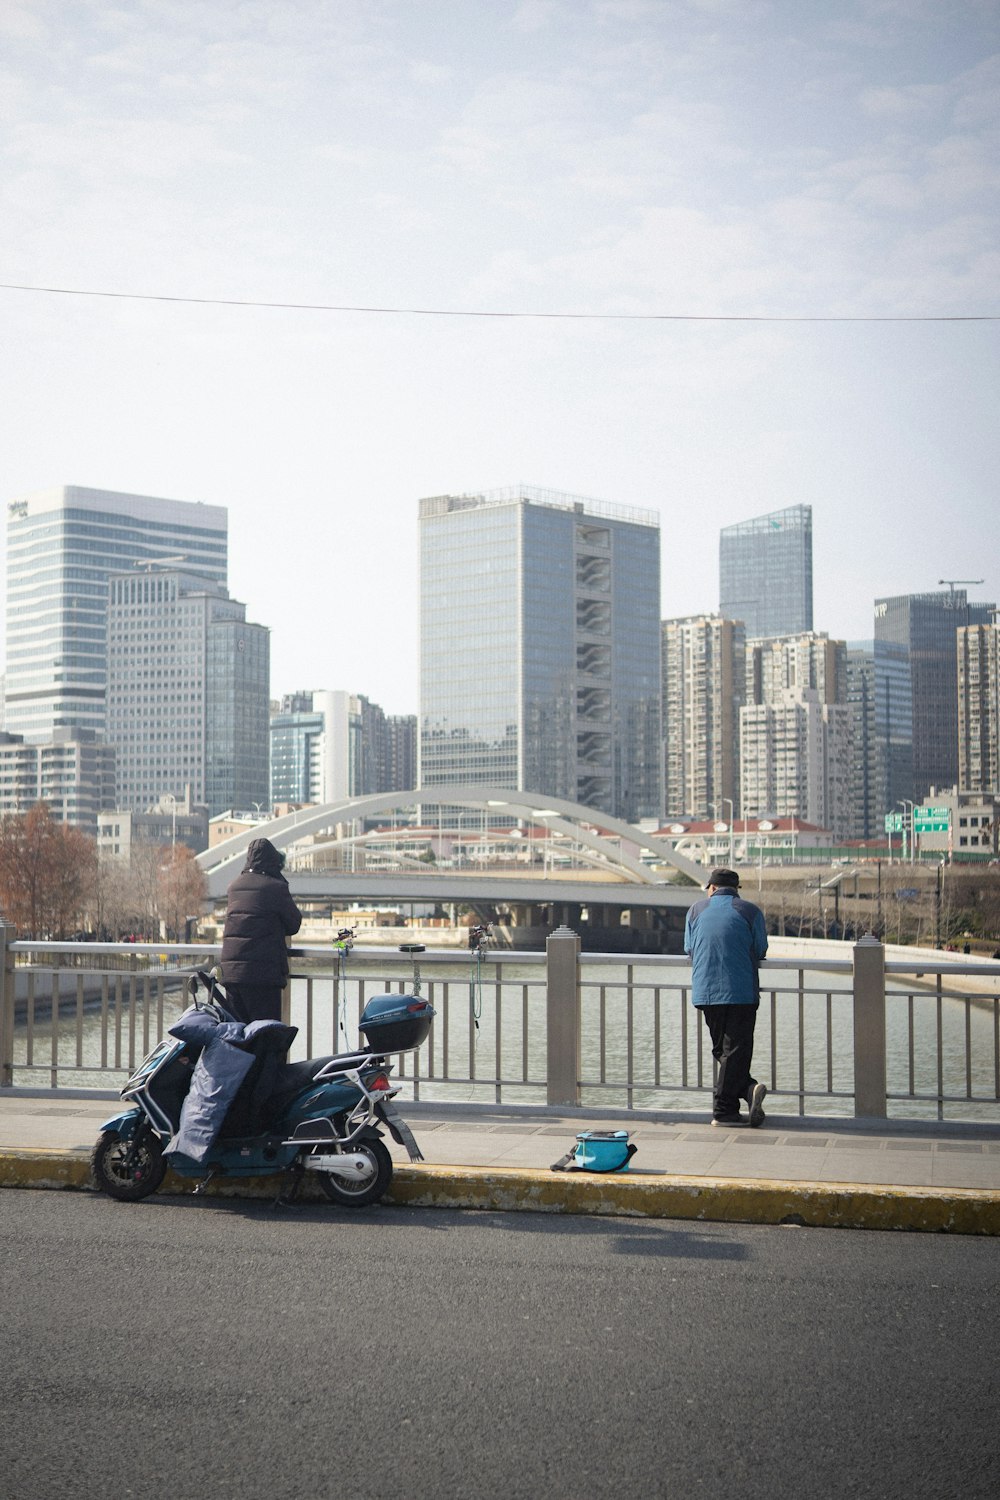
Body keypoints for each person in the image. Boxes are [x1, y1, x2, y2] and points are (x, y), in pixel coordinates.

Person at [684, 867, 769, 1128]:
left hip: (706, 991)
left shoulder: (695, 911)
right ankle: (726, 1109)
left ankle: (742, 1095)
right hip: (741, 991)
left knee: (723, 1050)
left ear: (711, 888)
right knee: (735, 1051)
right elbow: (761, 949)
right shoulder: (750, 911)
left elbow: (689, 948)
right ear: (736, 890)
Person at [220, 837, 302, 1024]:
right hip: (262, 976)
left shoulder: (234, 886)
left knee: (237, 1036)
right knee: (266, 1036)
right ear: (273, 862)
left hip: (232, 975)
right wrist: (280, 880)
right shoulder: (275, 887)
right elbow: (293, 924)